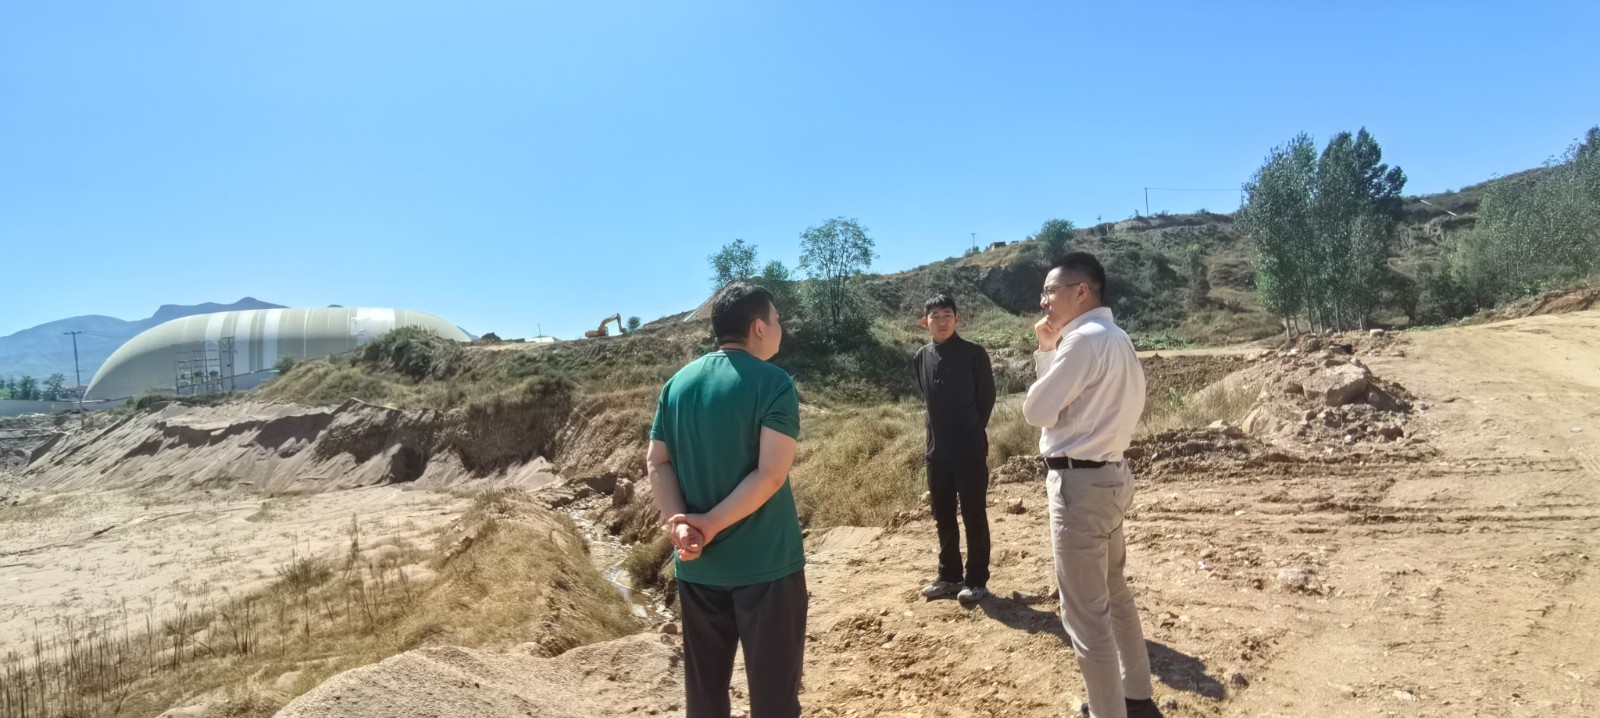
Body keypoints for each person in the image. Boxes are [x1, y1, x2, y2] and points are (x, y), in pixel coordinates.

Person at [647, 282, 807, 718]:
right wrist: (712, 523)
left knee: (704, 695)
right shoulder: (774, 383)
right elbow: (771, 474)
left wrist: (682, 523)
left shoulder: (677, 384)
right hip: (768, 565)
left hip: (697, 566)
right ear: (758, 327)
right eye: (777, 319)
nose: (780, 328)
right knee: (774, 700)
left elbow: (657, 462)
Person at [1022, 253, 1163, 718]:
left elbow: (1036, 411)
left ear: (1081, 291)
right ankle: (1136, 695)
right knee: (1113, 590)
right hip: (1111, 476)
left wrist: (1046, 352)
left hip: (1080, 486)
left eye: (1050, 290)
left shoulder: (1081, 341)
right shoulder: (1117, 337)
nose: (1044, 301)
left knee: (1085, 616)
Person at [912, 293, 996, 603]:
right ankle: (949, 576)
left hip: (969, 451)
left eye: (947, 315)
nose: (942, 321)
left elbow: (986, 399)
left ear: (957, 319)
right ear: (925, 322)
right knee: (943, 514)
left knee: (974, 515)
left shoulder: (974, 353)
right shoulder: (922, 356)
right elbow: (929, 399)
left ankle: (976, 580)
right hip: (937, 454)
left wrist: (970, 433)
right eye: (935, 316)